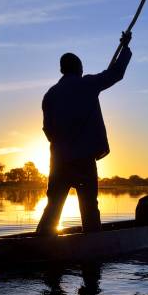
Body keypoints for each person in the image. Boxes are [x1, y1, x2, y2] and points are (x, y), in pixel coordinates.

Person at [36, 32, 133, 235]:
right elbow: (115, 73)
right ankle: (93, 247)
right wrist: (125, 47)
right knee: (89, 208)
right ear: (79, 68)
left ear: (62, 70)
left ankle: (41, 241)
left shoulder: (50, 95)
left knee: (53, 207)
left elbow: (47, 130)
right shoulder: (87, 84)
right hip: (83, 161)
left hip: (59, 161)